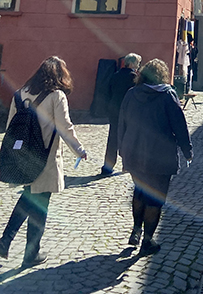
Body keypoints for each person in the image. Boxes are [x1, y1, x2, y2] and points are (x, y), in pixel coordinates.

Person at [0, 57, 87, 267]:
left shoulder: (21, 93)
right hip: (45, 156)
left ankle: (6, 243)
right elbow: (65, 127)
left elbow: (12, 126)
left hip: (24, 156)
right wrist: (79, 149)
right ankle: (29, 253)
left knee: (30, 198)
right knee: (39, 206)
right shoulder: (57, 95)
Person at [118, 59, 192, 256]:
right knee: (155, 198)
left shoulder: (131, 94)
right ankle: (148, 241)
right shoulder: (168, 95)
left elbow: (121, 122)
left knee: (140, 191)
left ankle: (136, 229)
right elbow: (179, 125)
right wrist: (187, 150)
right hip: (160, 155)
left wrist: (122, 149)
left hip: (133, 152)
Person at [101, 53, 142, 175]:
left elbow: (107, 91)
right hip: (128, 111)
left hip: (114, 110)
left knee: (112, 139)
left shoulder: (115, 75)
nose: (138, 66)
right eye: (138, 64)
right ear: (132, 64)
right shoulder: (134, 78)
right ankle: (127, 165)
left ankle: (107, 167)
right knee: (128, 138)